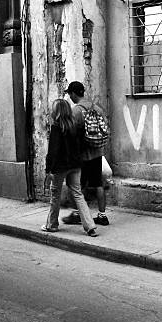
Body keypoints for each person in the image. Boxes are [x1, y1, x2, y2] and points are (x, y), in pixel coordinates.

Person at [42, 98, 98, 237]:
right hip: (75, 165)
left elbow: (53, 151)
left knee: (55, 196)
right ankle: (90, 226)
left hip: (60, 166)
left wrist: (49, 170)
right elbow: (81, 145)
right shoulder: (75, 125)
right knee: (78, 194)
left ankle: (52, 225)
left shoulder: (56, 127)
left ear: (57, 112)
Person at [62, 81, 109, 226]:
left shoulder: (76, 111)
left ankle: (77, 213)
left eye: (70, 94)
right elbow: (104, 128)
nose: (70, 96)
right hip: (97, 153)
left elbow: (71, 134)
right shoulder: (96, 108)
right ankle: (102, 216)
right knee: (98, 184)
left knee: (76, 185)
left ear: (74, 93)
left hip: (82, 155)